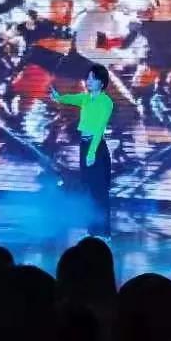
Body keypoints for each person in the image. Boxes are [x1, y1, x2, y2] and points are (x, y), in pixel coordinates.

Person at [51, 65, 114, 237]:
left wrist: (92, 153)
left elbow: (99, 129)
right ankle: (92, 231)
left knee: (100, 192)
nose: (89, 81)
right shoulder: (86, 98)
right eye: (88, 78)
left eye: (93, 78)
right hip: (85, 146)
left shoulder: (106, 102)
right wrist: (58, 97)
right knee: (90, 191)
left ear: (102, 82)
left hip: (96, 147)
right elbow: (71, 98)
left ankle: (105, 234)